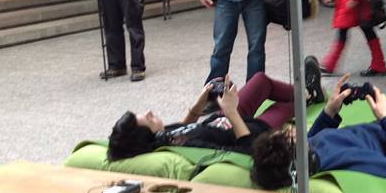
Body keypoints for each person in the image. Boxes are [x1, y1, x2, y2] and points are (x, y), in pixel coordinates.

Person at [250, 53, 386, 190]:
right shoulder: (343, 160)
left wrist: (329, 112)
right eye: (289, 135)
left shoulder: (310, 156)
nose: (291, 129)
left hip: (382, 130)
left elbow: (313, 139)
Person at [107, 57, 325, 161]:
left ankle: (306, 91)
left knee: (260, 81)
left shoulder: (164, 138)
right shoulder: (186, 150)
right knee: (287, 105)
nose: (148, 112)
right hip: (252, 131)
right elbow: (248, 149)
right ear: (145, 135)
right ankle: (308, 93)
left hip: (224, 119)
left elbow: (183, 130)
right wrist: (231, 111)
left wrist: (198, 106)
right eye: (147, 118)